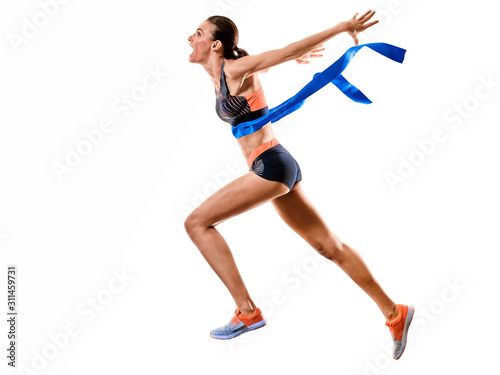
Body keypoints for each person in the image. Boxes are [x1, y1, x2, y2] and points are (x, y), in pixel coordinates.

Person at [185, 10, 414, 359]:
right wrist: (284, 62)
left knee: (197, 223)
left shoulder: (233, 70)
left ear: (215, 44)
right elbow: (267, 65)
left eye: (198, 33)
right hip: (278, 164)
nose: (191, 37)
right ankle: (394, 313)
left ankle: (247, 312)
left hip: (270, 167)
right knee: (329, 247)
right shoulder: (224, 73)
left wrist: (341, 28)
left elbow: (288, 50)